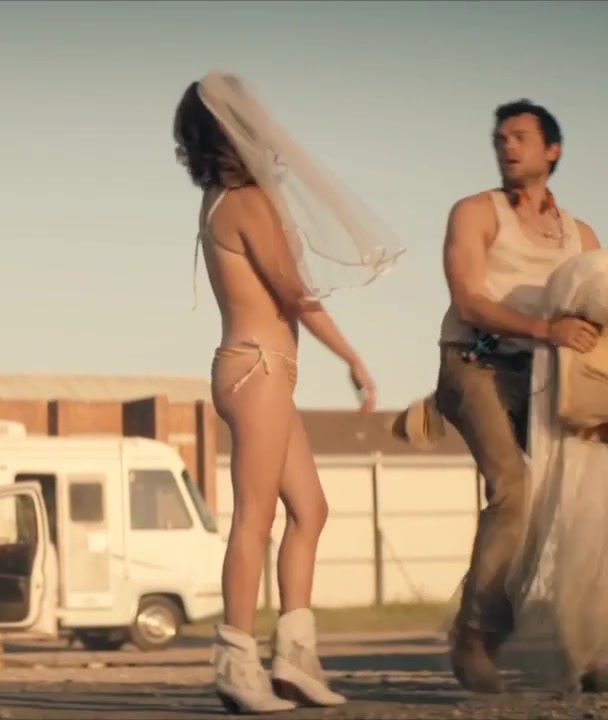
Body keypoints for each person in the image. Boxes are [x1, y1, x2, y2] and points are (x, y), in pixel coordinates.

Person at [173, 71, 403, 714]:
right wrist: (352, 357)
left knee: (310, 509)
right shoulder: (246, 203)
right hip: (260, 369)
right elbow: (294, 295)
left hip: (257, 369)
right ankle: (235, 663)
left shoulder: (222, 200)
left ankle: (294, 661)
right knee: (255, 518)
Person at [435, 99, 608, 695]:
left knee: (582, 500)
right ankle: (473, 638)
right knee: (514, 490)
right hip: (474, 363)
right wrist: (548, 329)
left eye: (520, 136)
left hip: (549, 375)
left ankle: (584, 650)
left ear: (552, 150)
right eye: (500, 137)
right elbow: (469, 301)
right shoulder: (475, 213)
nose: (507, 145)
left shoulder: (581, 235)